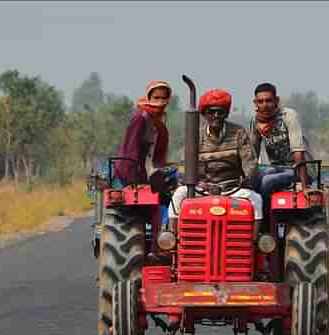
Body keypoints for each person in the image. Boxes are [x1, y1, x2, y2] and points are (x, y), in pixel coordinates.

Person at [168, 89, 262, 237]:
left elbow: (250, 162)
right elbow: (183, 166)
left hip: (231, 188)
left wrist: (247, 179)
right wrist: (198, 183)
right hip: (203, 188)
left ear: (226, 114)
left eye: (220, 112)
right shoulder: (195, 136)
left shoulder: (238, 133)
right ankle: (172, 238)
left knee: (256, 199)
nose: (216, 116)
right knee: (178, 195)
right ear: (204, 114)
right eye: (211, 112)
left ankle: (254, 241)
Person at [112, 80, 172, 263]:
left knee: (178, 199)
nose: (159, 102)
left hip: (149, 175)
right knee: (157, 210)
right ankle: (158, 250)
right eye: (155, 97)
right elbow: (130, 151)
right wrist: (135, 182)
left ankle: (175, 246)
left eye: (163, 98)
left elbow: (159, 158)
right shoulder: (140, 118)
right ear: (148, 98)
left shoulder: (160, 126)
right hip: (131, 177)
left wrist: (166, 174)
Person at [249, 82, 309, 218]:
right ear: (255, 103)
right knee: (255, 179)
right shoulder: (256, 121)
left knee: (267, 181)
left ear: (276, 100)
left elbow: (298, 151)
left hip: (296, 169)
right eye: (260, 101)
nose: (265, 105)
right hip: (275, 167)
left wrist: (305, 187)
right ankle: (251, 220)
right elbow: (252, 153)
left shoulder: (288, 116)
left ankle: (265, 222)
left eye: (269, 100)